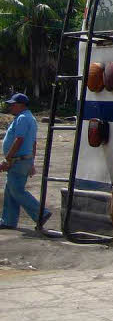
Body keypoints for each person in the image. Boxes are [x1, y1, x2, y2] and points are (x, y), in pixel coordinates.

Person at [1, 93, 49, 230]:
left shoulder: (22, 118)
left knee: (16, 190)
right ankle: (8, 220)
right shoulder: (30, 118)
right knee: (10, 190)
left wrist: (7, 159)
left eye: (13, 105)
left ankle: (41, 213)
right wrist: (31, 162)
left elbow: (19, 139)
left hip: (18, 160)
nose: (10, 107)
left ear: (21, 105)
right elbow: (33, 143)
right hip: (23, 160)